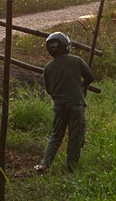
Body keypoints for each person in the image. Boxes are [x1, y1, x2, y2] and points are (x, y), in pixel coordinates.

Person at [34, 31, 94, 173]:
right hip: (77, 104)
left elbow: (49, 89)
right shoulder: (77, 60)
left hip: (59, 105)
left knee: (56, 136)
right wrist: (81, 86)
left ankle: (44, 165)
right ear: (66, 46)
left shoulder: (48, 68)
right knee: (76, 136)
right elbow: (90, 77)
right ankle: (71, 168)